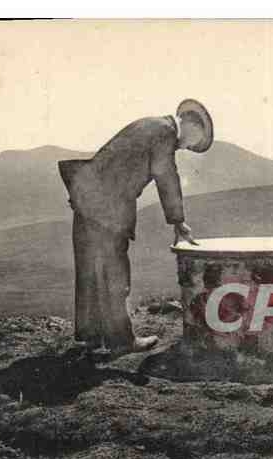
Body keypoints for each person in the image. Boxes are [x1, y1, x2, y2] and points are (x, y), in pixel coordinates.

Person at [58, 99, 213, 357]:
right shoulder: (164, 131)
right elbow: (166, 175)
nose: (188, 146)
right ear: (190, 123)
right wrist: (177, 220)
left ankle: (91, 337)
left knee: (90, 270)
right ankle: (121, 341)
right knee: (115, 272)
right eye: (194, 141)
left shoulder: (150, 125)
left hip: (87, 197)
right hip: (107, 206)